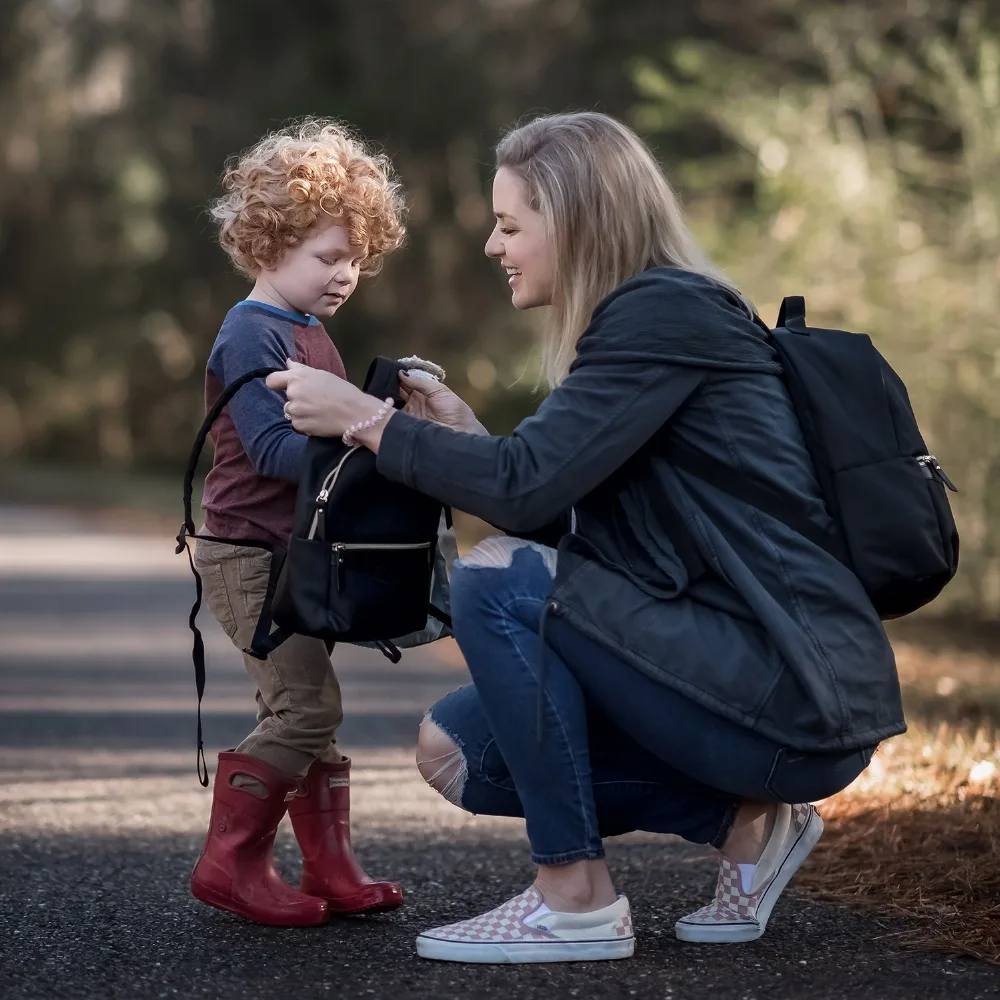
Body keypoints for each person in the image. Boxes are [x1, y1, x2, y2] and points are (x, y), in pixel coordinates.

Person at [267, 111, 903, 962]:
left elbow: (523, 498)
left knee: (496, 578)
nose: (495, 246)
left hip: (792, 692)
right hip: (737, 669)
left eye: (509, 224)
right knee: (459, 751)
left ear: (574, 219)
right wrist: (461, 437)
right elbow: (550, 503)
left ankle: (575, 898)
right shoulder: (653, 319)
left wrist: (370, 423)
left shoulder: (664, 315)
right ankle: (746, 827)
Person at [190, 118, 407, 926]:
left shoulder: (312, 333)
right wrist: (370, 436)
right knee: (304, 709)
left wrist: (380, 415)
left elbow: (327, 444)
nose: (346, 274)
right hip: (248, 556)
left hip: (296, 552)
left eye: (356, 259)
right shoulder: (251, 330)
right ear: (267, 244)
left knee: (310, 706)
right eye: (328, 257)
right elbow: (279, 453)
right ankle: (230, 863)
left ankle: (331, 868)